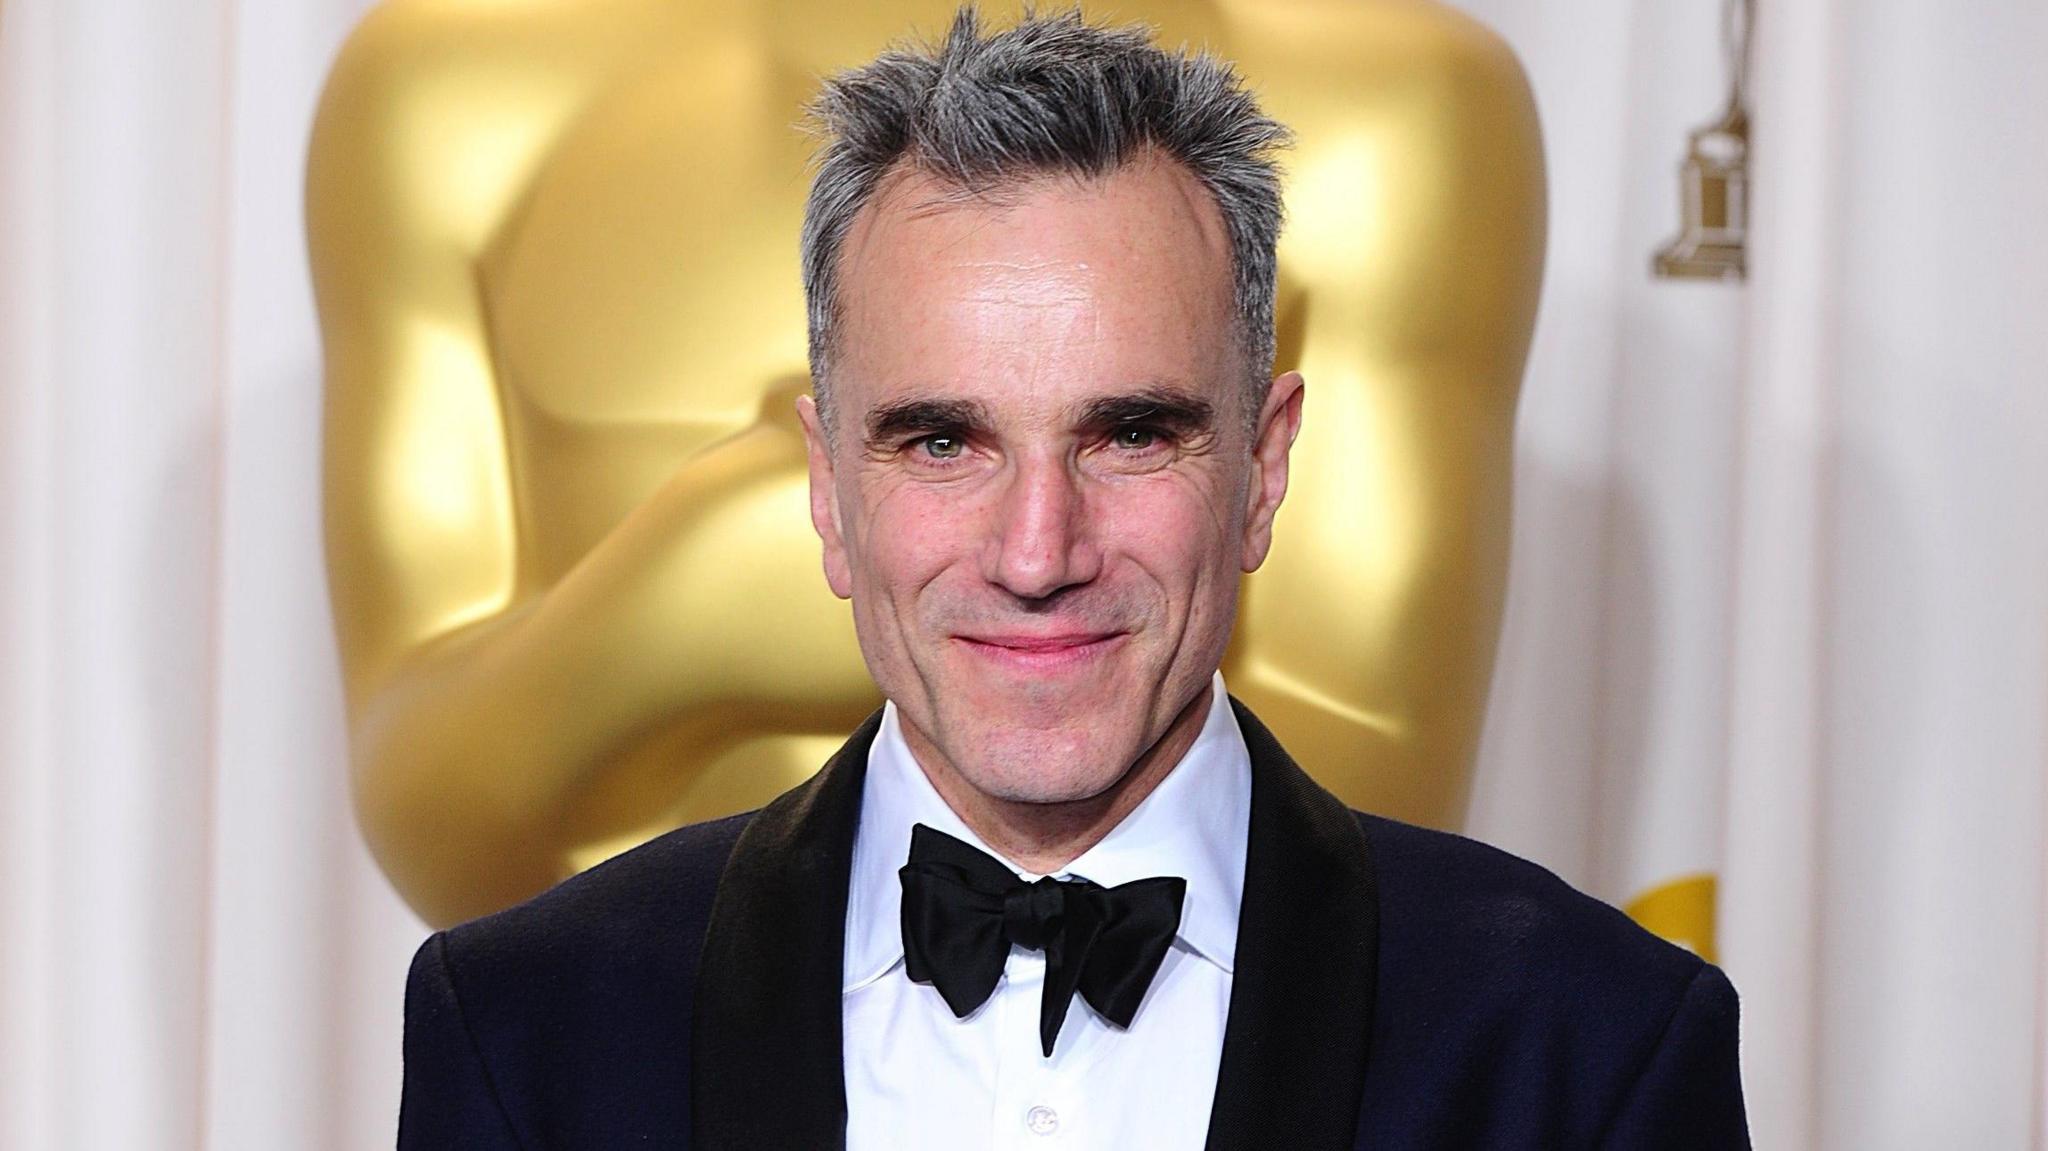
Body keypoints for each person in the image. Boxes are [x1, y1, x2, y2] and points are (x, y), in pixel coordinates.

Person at [396, 9, 1748, 1148]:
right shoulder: (527, 1036)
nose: (1039, 553)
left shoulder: (1592, 1050)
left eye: (1132, 434)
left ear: (1265, 469)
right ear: (827, 486)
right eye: (942, 440)